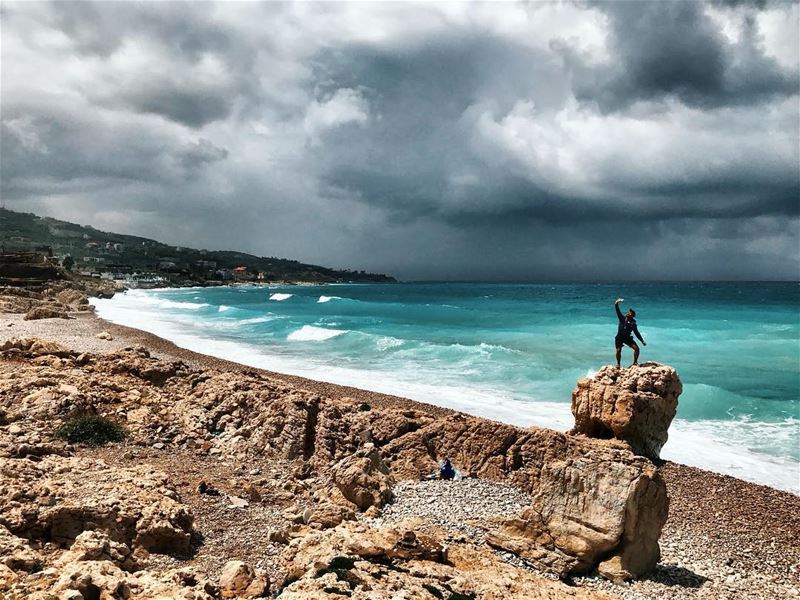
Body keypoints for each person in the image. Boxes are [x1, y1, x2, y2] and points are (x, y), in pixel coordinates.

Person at [614, 298, 646, 367]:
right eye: (628, 312)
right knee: (618, 350)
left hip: (627, 338)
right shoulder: (622, 318)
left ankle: (635, 363)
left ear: (632, 316)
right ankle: (618, 364)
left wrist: (642, 341)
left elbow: (637, 333)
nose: (628, 313)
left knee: (637, 349)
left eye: (629, 313)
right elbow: (617, 311)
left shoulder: (633, 323)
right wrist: (616, 303)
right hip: (619, 337)